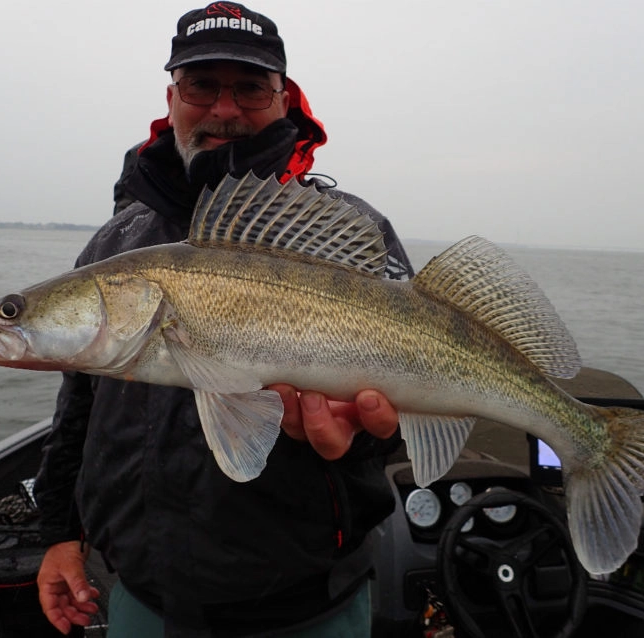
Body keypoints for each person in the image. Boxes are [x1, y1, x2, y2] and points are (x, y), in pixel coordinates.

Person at [34, 3, 414, 636]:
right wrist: (59, 536)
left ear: (284, 100)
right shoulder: (116, 243)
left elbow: (411, 400)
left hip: (308, 606)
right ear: (172, 95)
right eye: (202, 85)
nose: (226, 108)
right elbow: (78, 407)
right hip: (140, 599)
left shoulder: (350, 230)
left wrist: (362, 437)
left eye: (250, 88)